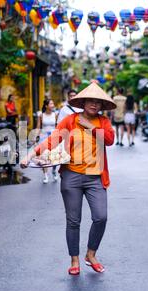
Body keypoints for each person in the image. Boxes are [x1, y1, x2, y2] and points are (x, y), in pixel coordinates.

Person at [21, 82, 116, 276]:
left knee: (101, 216)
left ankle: (91, 254)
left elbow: (109, 140)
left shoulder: (103, 121)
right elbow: (52, 140)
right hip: (72, 175)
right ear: (83, 102)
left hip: (95, 177)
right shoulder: (70, 121)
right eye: (91, 100)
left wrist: (89, 125)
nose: (94, 104)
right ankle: (74, 260)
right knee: (73, 220)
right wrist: (30, 155)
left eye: (98, 102)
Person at [36, 99, 58, 183]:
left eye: (53, 103)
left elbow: (58, 126)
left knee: (54, 156)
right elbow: (38, 127)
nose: (53, 105)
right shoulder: (41, 115)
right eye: (51, 103)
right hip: (43, 137)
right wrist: (36, 137)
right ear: (46, 106)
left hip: (53, 137)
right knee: (44, 157)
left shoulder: (55, 114)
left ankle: (54, 170)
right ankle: (45, 175)